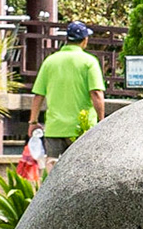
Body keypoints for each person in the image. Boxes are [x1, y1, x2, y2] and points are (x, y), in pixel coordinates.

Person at [29, 21, 105, 170]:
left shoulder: (50, 61)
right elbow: (96, 93)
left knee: (53, 173)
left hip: (54, 128)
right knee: (81, 171)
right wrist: (102, 121)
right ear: (85, 40)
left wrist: (33, 121)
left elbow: (38, 95)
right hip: (82, 129)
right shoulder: (89, 62)